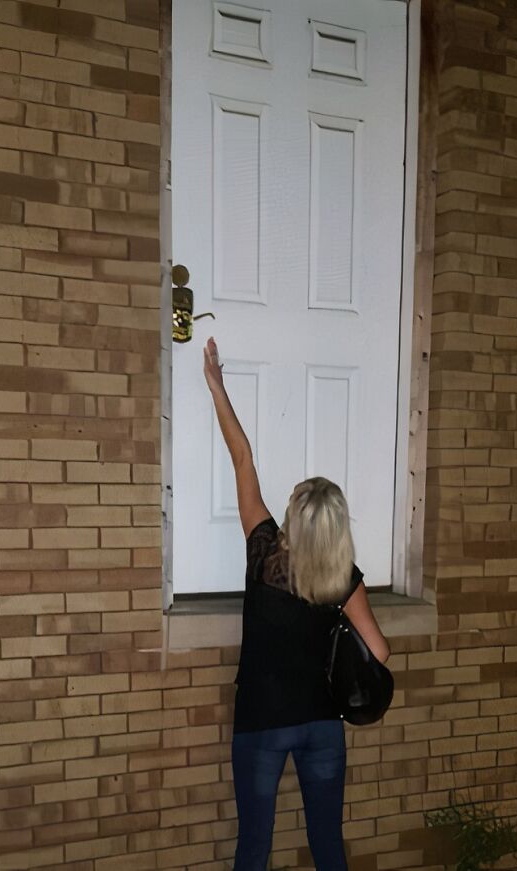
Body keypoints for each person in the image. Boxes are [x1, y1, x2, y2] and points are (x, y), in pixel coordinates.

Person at [203, 336, 391, 871]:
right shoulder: (344, 578)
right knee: (328, 846)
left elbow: (242, 457)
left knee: (254, 849)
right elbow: (379, 650)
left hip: (262, 723)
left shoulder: (264, 555)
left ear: (295, 517)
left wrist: (216, 385)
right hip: (321, 725)